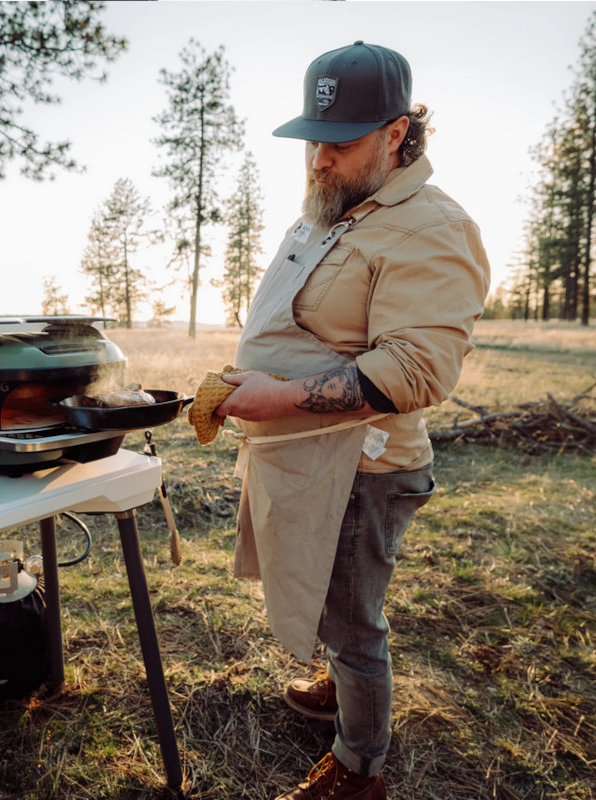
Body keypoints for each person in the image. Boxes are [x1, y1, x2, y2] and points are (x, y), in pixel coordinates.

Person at [214, 41, 490, 800]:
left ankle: (359, 765)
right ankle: (340, 689)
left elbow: (416, 369)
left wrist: (277, 399)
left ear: (397, 134)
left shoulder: (431, 227)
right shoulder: (337, 210)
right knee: (332, 600)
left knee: (353, 621)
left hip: (364, 467)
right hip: (310, 456)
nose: (319, 160)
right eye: (313, 142)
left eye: (340, 143)